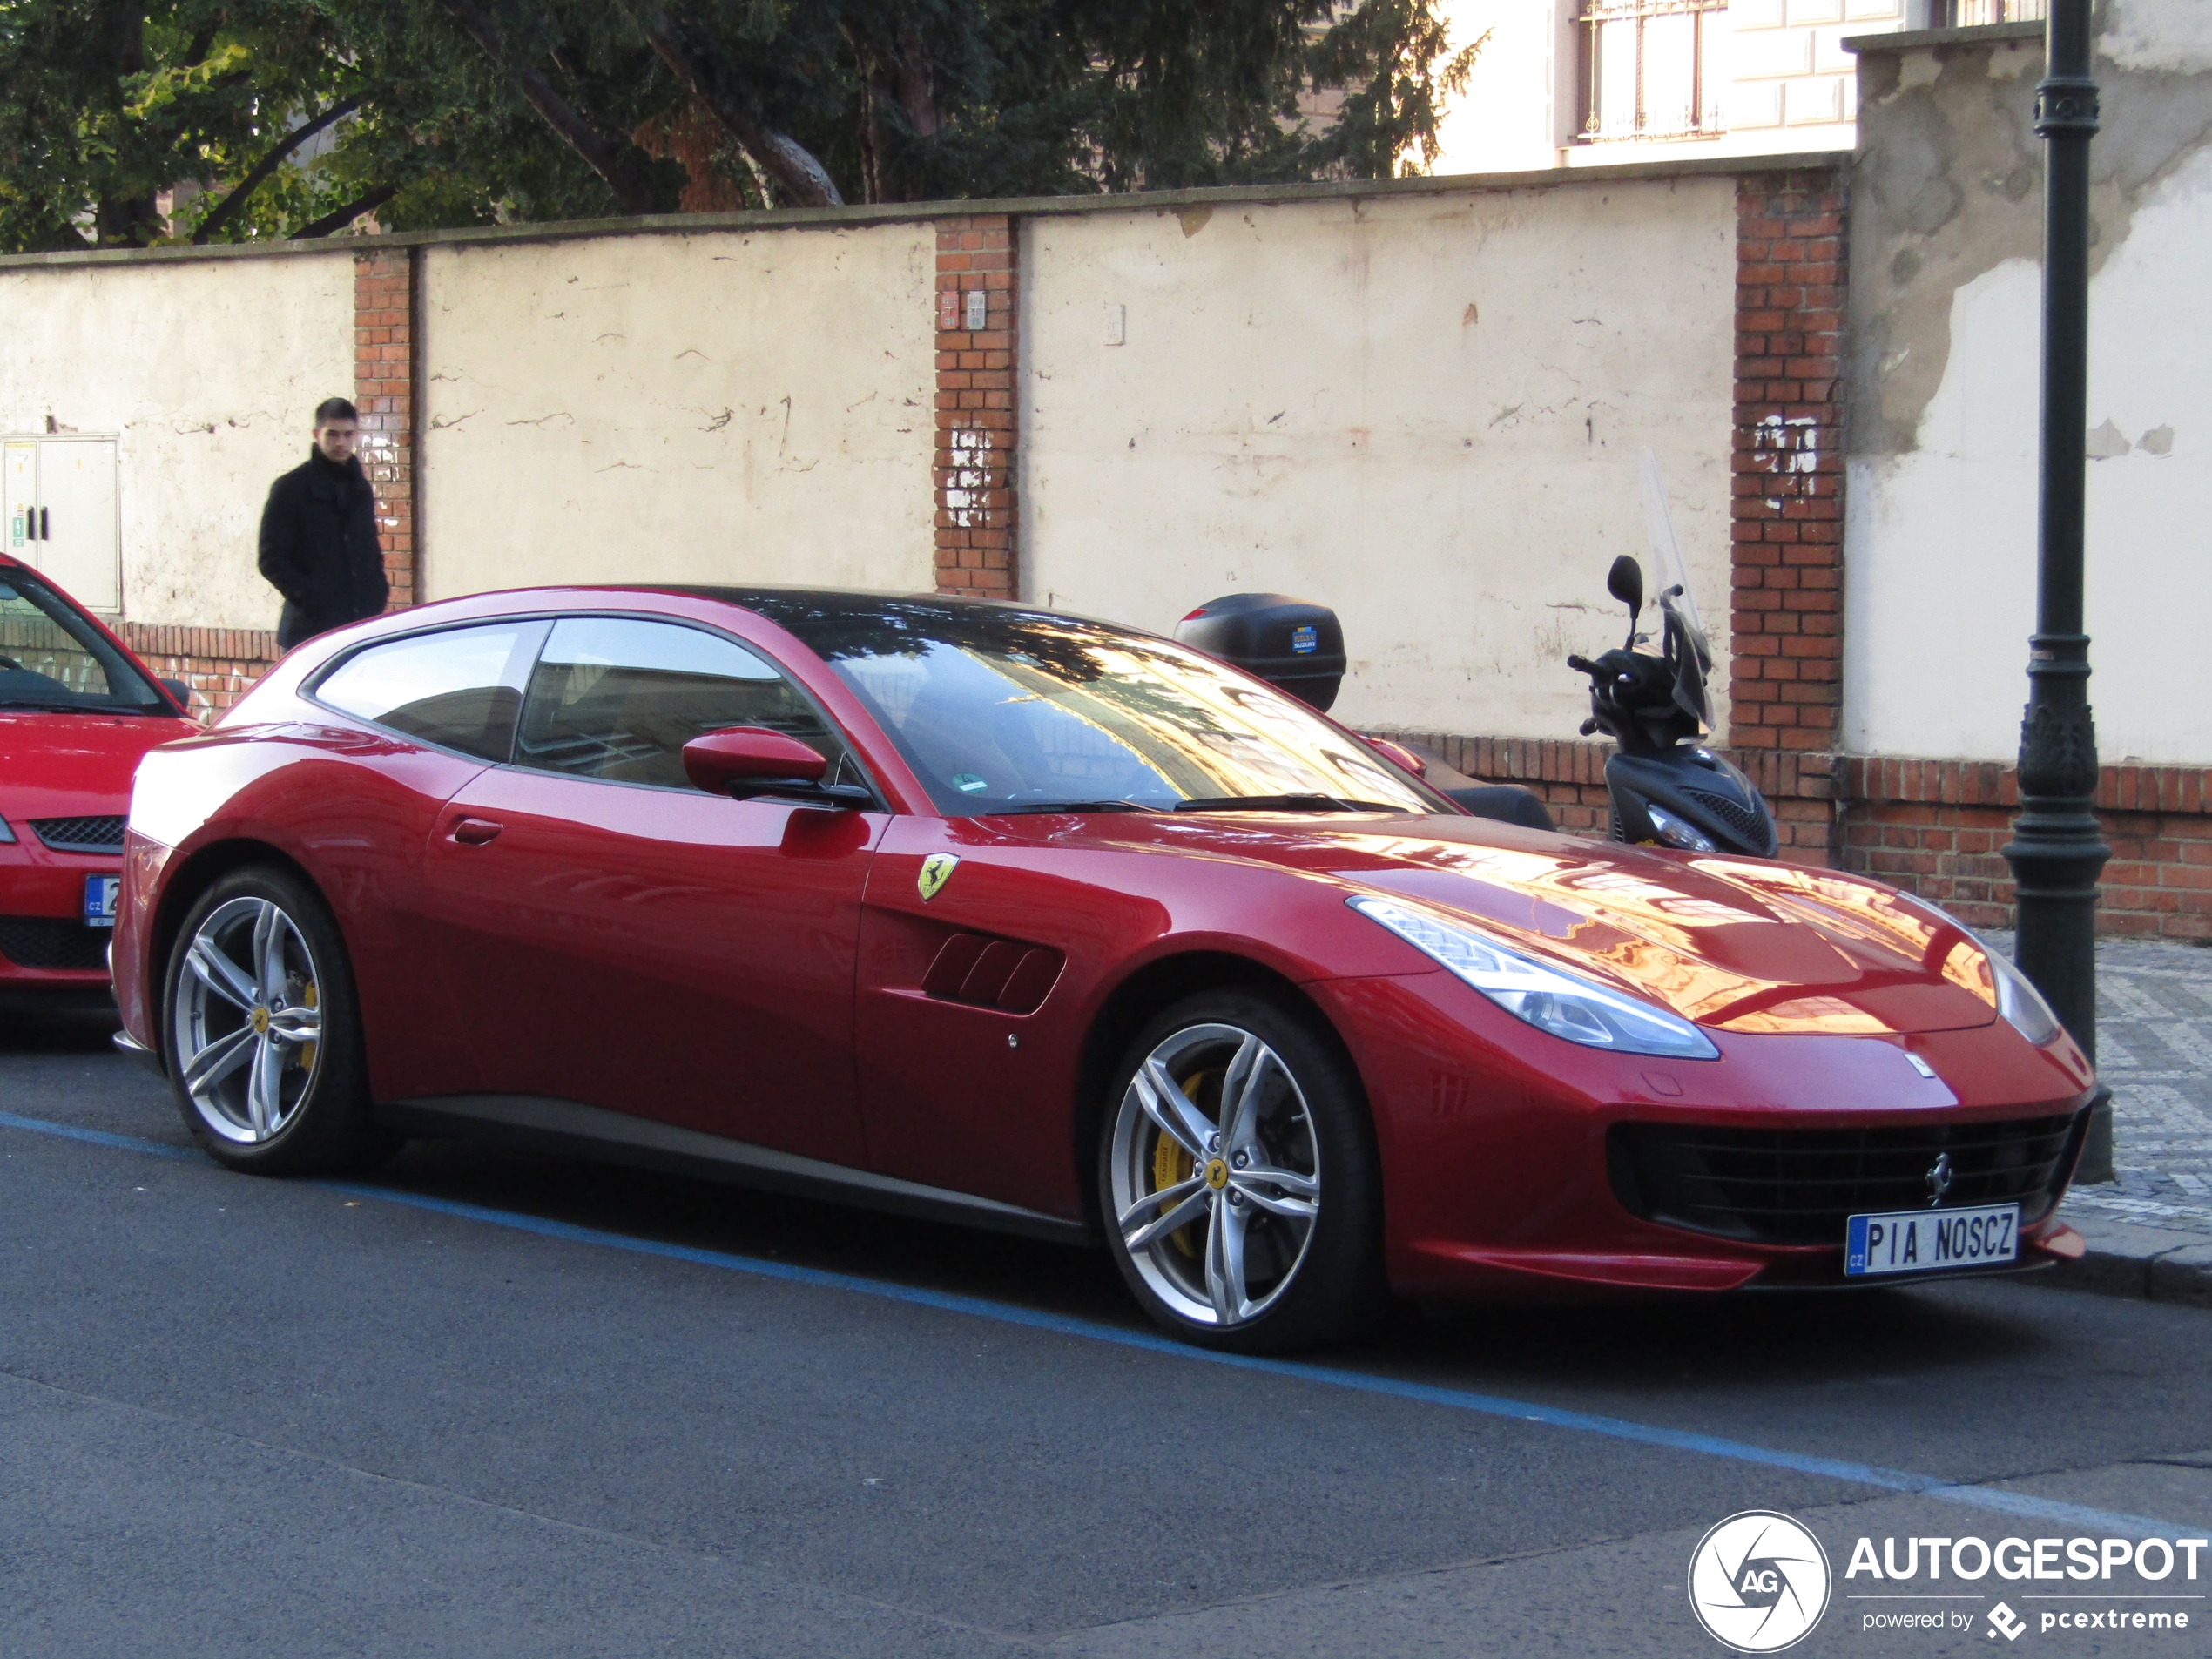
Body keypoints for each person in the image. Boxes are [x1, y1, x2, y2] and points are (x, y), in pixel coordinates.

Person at [258, 397, 389, 649]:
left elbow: (370, 551)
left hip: (358, 627)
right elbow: (270, 559)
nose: (340, 443)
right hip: (307, 633)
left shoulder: (360, 490)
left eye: (348, 434)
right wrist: (312, 599)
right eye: (332, 434)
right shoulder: (290, 488)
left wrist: (377, 593)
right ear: (317, 434)